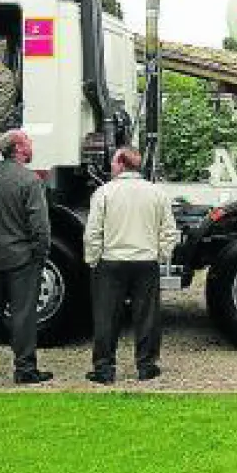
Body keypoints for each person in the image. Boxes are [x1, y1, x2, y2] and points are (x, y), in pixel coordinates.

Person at [83, 147, 180, 384]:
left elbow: (93, 231)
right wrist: (160, 255)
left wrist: (93, 259)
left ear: (121, 164)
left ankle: (104, 368)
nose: (111, 166)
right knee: (147, 316)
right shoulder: (157, 194)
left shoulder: (104, 193)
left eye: (113, 162)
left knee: (106, 317)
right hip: (145, 261)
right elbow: (169, 231)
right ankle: (146, 365)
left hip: (111, 261)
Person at [0, 129, 54, 384]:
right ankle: (25, 369)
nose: (31, 146)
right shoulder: (29, 180)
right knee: (23, 315)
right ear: (18, 147)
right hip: (21, 258)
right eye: (28, 142)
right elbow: (40, 225)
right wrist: (40, 254)